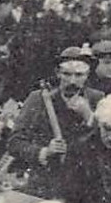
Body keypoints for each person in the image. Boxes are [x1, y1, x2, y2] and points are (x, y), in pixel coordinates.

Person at [8, 47, 105, 184]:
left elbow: (107, 143)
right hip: (45, 180)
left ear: (87, 75)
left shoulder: (98, 99)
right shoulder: (39, 98)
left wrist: (88, 115)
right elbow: (14, 142)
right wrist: (44, 151)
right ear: (58, 73)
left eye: (79, 75)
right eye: (67, 74)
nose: (72, 81)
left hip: (83, 183)